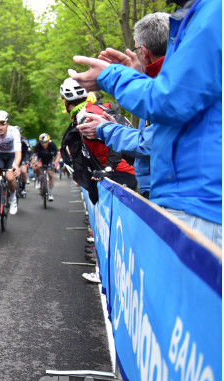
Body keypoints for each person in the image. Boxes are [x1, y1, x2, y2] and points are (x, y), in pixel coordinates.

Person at [68, 0, 221, 246]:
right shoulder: (200, 14)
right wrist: (141, 76)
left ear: (144, 51)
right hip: (185, 197)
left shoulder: (213, 11)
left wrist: (111, 78)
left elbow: (169, 105)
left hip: (199, 203)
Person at [76, 12, 170, 199]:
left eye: (136, 50)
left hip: (168, 192)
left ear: (144, 52)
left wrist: (105, 129)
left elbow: (150, 144)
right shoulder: (166, 85)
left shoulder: (171, 90)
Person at [31, 133, 60, 201]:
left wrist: (55, 163)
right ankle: (38, 179)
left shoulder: (52, 145)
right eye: (42, 142)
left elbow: (57, 155)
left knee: (50, 174)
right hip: (41, 160)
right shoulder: (38, 146)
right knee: (37, 167)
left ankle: (50, 193)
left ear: (48, 141)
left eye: (45, 142)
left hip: (49, 160)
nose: (43, 144)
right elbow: (34, 156)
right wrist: (33, 163)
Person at [16, 126, 31, 197]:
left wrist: (28, 161)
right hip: (14, 157)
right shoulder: (10, 139)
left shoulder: (24, 140)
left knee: (24, 171)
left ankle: (23, 188)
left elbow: (29, 150)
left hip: (23, 157)